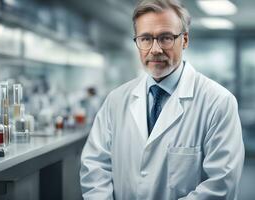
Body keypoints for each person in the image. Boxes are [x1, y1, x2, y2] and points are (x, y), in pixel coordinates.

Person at [80, 0, 245, 199]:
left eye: (165, 38)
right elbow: (95, 166)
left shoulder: (218, 102)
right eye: (146, 38)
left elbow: (220, 185)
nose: (155, 49)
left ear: (184, 40)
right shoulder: (116, 100)